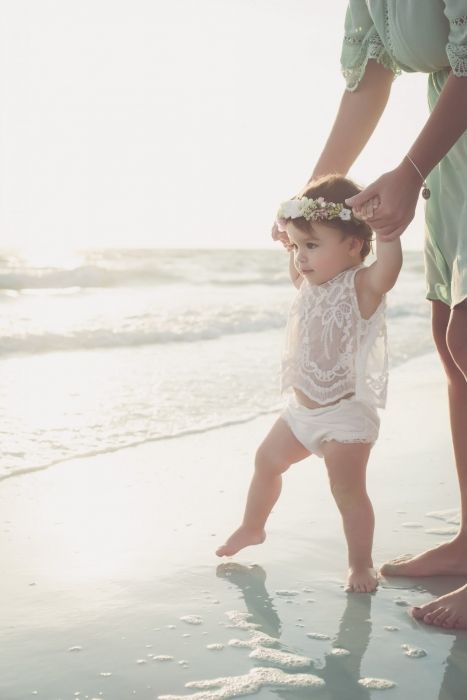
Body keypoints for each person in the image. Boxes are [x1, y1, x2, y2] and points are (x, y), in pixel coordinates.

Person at [295, 1, 467, 626]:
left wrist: (411, 167)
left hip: (441, 144)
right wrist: (305, 205)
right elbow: (369, 78)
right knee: (451, 344)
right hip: (454, 147)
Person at [216, 174, 402, 593]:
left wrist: (387, 231)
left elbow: (388, 268)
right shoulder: (306, 282)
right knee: (266, 461)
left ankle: (360, 565)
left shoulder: (362, 286)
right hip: (301, 413)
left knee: (348, 493)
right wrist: (291, 233)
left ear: (353, 245)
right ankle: (252, 526)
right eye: (296, 247)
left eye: (312, 246)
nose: (300, 257)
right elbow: (296, 250)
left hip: (344, 419)